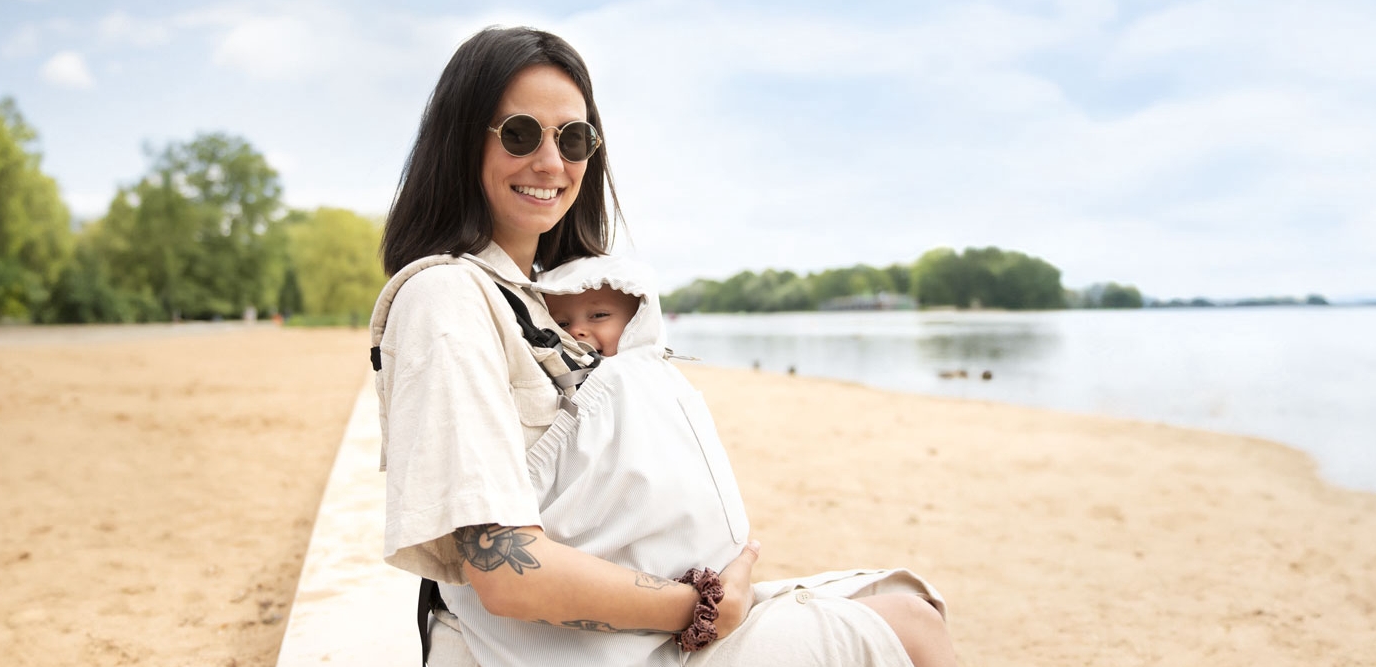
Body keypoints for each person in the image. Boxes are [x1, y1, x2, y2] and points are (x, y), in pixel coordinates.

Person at [370, 25, 956, 667]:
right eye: (519, 133)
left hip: (635, 629)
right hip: (574, 648)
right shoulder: (447, 297)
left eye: (573, 138)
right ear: (460, 141)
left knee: (906, 601)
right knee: (910, 625)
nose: (550, 163)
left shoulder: (546, 297)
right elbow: (505, 570)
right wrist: (702, 604)